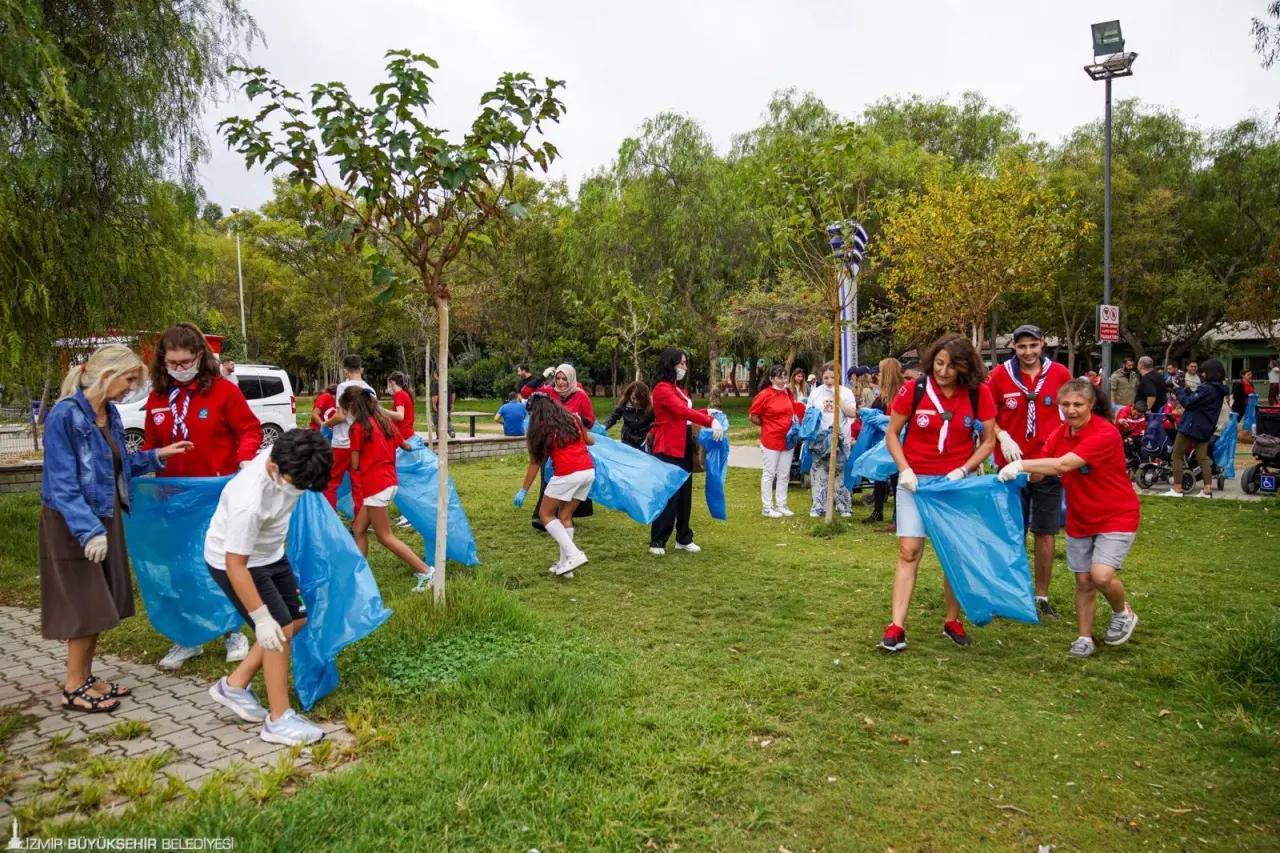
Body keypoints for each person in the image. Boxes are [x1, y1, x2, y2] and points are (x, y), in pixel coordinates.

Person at [41, 345, 191, 713]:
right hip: (72, 523)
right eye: (128, 381)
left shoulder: (109, 414)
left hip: (104, 516)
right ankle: (73, 687)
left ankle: (85, 677)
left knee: (102, 599)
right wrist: (88, 530)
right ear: (107, 376)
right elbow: (62, 483)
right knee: (85, 602)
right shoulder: (65, 416)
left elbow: (116, 465)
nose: (130, 390)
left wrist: (159, 456)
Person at [204, 429, 333, 745]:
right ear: (275, 470)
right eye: (296, 485)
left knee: (297, 620)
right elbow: (235, 565)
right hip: (237, 563)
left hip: (271, 554)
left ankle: (234, 685)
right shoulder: (249, 501)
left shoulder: (295, 456)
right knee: (279, 631)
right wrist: (261, 619)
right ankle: (279, 720)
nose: (299, 491)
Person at [143, 323, 259, 671]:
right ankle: (188, 636)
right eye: (172, 363)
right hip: (173, 496)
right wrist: (152, 465)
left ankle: (232, 632)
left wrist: (244, 459)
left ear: (200, 357)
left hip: (215, 494)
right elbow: (151, 444)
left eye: (185, 361)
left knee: (219, 565)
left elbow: (250, 429)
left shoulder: (223, 391)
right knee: (180, 568)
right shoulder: (158, 397)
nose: (179, 369)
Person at [998, 380, 1139, 659]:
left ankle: (1122, 612)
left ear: (1091, 404)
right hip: (1080, 515)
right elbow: (1043, 470)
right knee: (1084, 580)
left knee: (1101, 575)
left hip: (1116, 514)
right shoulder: (1060, 433)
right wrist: (1015, 470)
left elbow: (1063, 465)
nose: (1071, 410)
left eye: (1078, 404)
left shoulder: (1104, 433)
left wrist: (1021, 465)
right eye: (1065, 404)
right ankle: (1085, 637)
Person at [878, 334, 996, 654]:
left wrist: (964, 469)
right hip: (916, 482)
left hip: (956, 484)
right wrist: (904, 470)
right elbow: (892, 434)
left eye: (952, 366)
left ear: (964, 367)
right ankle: (897, 627)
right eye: (939, 364)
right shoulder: (914, 389)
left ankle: (952, 621)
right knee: (909, 551)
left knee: (953, 554)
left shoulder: (977, 393)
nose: (943, 372)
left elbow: (988, 439)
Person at [986, 324, 1075, 621]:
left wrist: (1055, 456)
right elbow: (988, 417)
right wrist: (1002, 436)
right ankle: (1009, 592)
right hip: (1011, 468)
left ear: (1043, 344)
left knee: (1046, 532)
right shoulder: (1000, 376)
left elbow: (1071, 417)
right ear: (1013, 346)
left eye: (1033, 346)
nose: (1028, 352)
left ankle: (1041, 595)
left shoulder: (1060, 374)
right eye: (1022, 347)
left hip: (1048, 466)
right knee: (1011, 533)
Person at [341, 386, 433, 591]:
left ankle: (426, 572)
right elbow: (406, 445)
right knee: (358, 528)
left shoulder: (357, 429)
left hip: (375, 487)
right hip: (389, 482)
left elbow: (354, 464)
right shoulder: (384, 422)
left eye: (344, 409)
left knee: (385, 537)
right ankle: (358, 574)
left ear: (352, 407)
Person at [648, 348, 722, 556]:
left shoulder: (678, 389)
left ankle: (683, 537)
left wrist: (707, 412)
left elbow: (686, 415)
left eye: (685, 363)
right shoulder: (662, 389)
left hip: (683, 445)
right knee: (669, 494)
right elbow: (680, 411)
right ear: (669, 364)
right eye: (681, 363)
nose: (684, 367)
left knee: (684, 495)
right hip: (668, 446)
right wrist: (709, 421)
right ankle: (657, 540)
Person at [513, 392, 596, 577]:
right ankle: (565, 565)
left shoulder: (542, 429)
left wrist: (523, 490)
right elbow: (591, 441)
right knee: (565, 515)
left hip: (568, 473)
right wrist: (580, 428)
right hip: (588, 471)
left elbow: (535, 463)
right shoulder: (571, 419)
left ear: (535, 412)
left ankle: (574, 554)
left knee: (545, 514)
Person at [1162, 359, 1229, 499]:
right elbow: (1196, 400)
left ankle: (1177, 488)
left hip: (1191, 425)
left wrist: (1178, 389)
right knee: (1202, 458)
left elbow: (1188, 403)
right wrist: (1185, 389)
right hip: (1206, 427)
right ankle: (1207, 490)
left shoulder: (1207, 388)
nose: (1202, 374)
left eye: (1204, 371)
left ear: (1210, 372)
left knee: (1176, 456)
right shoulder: (1219, 389)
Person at [321, 355, 374, 510]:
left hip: (343, 443)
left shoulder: (344, 388)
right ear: (361, 369)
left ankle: (330, 521)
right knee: (358, 485)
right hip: (362, 444)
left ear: (345, 370)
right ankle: (359, 524)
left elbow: (341, 415)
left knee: (331, 482)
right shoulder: (369, 389)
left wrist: (325, 425)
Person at [806, 362, 858, 519]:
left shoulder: (846, 392)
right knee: (819, 472)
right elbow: (809, 415)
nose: (829, 381)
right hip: (821, 438)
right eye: (826, 377)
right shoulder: (815, 393)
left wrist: (837, 397)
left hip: (841, 437)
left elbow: (851, 413)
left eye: (832, 377)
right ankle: (819, 506)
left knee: (840, 472)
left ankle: (843, 506)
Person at [749, 366, 797, 518]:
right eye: (779, 377)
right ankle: (767, 507)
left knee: (784, 473)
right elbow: (753, 415)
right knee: (769, 472)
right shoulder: (764, 395)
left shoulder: (788, 393)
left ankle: (781, 504)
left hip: (787, 439)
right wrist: (767, 425)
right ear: (771, 378)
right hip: (771, 439)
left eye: (785, 377)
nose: (783, 380)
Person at [866, 358, 904, 529]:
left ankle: (898, 518)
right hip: (886, 438)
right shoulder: (884, 394)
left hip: (899, 440)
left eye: (881, 372)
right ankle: (878, 511)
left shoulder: (902, 392)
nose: (878, 375)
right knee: (880, 475)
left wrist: (885, 419)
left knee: (897, 479)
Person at [602, 381, 654, 450]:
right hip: (627, 440)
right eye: (633, 398)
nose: (636, 402)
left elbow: (655, 423)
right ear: (629, 395)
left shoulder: (649, 407)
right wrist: (604, 426)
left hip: (643, 442)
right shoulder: (624, 404)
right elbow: (614, 416)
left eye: (639, 399)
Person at [385, 372, 416, 443]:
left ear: (392, 382)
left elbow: (400, 416)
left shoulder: (399, 395)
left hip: (403, 436)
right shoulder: (404, 394)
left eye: (388, 383)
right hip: (407, 435)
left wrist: (381, 410)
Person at [429, 371, 456, 440]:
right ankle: (451, 431)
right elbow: (453, 394)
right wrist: (452, 403)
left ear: (436, 375)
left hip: (439, 406)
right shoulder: (449, 383)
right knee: (447, 420)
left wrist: (434, 404)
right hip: (447, 406)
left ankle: (439, 437)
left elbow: (435, 395)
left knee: (437, 421)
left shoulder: (436, 384)